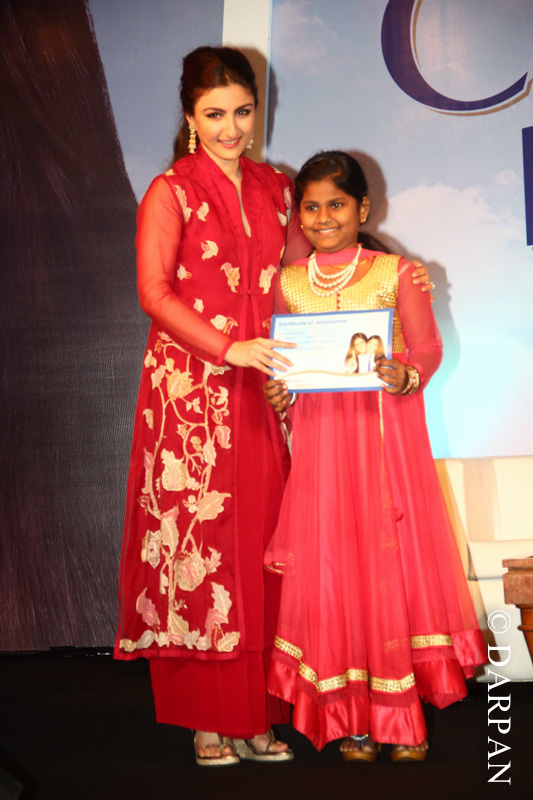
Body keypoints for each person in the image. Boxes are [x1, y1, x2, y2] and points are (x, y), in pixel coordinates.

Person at [114, 47, 433, 767]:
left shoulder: (273, 187)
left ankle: (256, 714)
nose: (231, 128)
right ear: (190, 117)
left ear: (258, 110)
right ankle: (206, 719)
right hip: (192, 395)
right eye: (214, 114)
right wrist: (229, 349)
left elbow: (309, 273)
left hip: (270, 391)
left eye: (243, 111)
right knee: (199, 551)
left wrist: (390, 271)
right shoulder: (171, 191)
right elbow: (153, 292)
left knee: (263, 552)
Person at [263, 151, 487, 763]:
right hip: (322, 449)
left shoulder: (396, 273)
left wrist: (404, 374)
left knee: (390, 567)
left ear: (363, 208)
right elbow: (285, 365)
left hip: (386, 444)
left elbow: (429, 348)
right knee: (335, 570)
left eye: (337, 205)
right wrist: (280, 393)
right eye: (311, 207)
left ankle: (402, 720)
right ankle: (352, 720)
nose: (323, 218)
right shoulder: (287, 283)